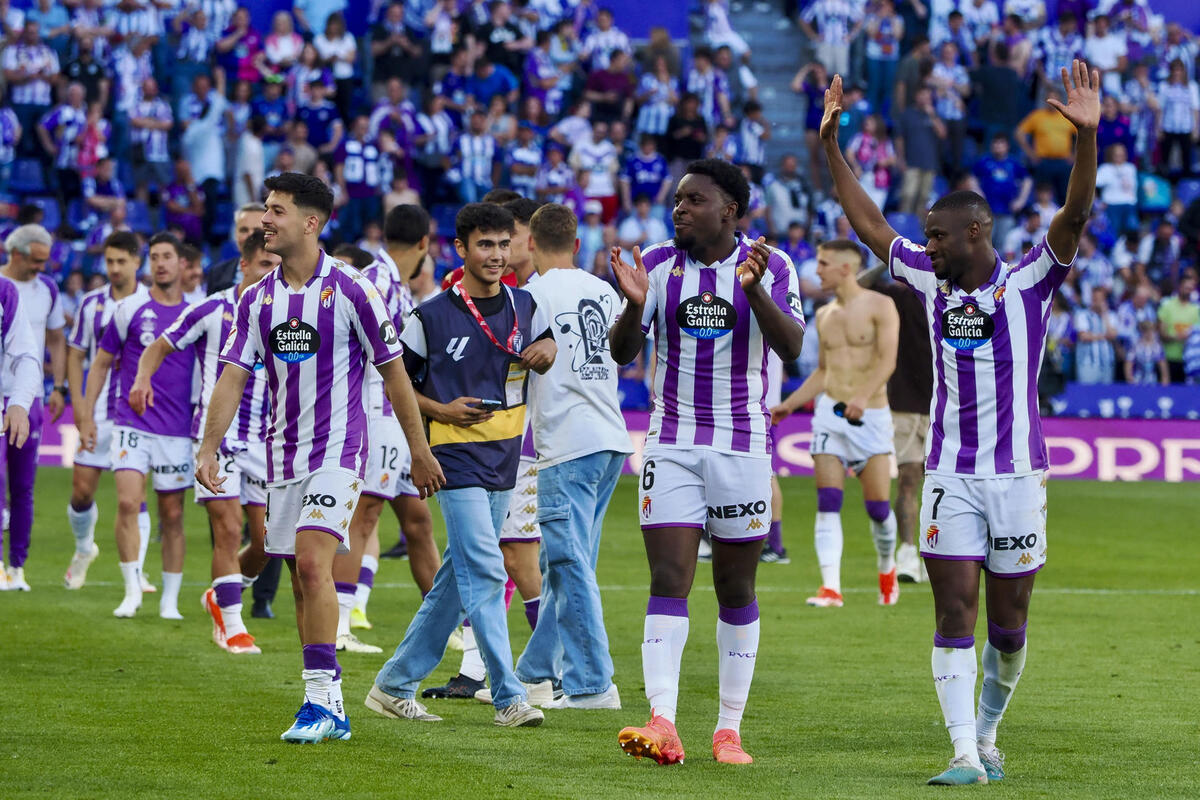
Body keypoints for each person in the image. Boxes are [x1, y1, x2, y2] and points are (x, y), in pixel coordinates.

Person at [820, 61, 1100, 784]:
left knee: (1008, 626)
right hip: (949, 475)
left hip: (1018, 478)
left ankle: (988, 728)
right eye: (928, 239)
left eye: (940, 238)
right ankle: (963, 754)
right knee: (954, 614)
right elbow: (870, 223)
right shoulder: (923, 276)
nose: (929, 247)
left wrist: (1087, 141)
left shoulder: (1032, 280)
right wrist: (832, 147)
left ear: (977, 231)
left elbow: (1073, 216)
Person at [197, 172, 444, 744]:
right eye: (265, 208)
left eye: (276, 210)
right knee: (301, 583)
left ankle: (323, 703)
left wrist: (418, 448)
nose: (265, 220)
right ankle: (324, 701)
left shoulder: (353, 289)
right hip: (281, 455)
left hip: (339, 451)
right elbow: (232, 376)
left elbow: (394, 374)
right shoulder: (257, 299)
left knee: (314, 563)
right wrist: (209, 447)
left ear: (310, 222)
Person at [608, 159, 806, 765]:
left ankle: (728, 729)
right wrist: (633, 304)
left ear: (730, 210)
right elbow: (622, 355)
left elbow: (792, 347)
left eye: (694, 200)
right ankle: (663, 720)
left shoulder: (771, 265)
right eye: (677, 200)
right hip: (668, 444)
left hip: (742, 446)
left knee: (734, 586)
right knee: (669, 579)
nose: (680, 209)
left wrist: (752, 290)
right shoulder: (659, 265)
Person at [367, 202, 555, 728]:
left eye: (502, 244)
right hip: (453, 459)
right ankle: (509, 696)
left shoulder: (526, 305)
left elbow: (546, 346)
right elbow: (396, 384)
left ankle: (392, 684)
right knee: (487, 570)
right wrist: (434, 421)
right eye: (484, 245)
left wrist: (548, 351)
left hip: (505, 458)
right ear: (461, 249)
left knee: (457, 579)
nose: (496, 256)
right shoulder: (430, 315)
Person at [496, 202, 633, 709]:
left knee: (570, 564)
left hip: (566, 444)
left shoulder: (528, 298)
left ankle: (593, 684)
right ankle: (535, 671)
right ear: (577, 244)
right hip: (612, 440)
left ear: (529, 243)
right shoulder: (604, 289)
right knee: (569, 565)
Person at [131, 231, 280, 654]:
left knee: (269, 541)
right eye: (265, 265)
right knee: (228, 529)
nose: (272, 273)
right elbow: (160, 344)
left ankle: (222, 594)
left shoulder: (285, 312)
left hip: (264, 439)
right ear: (245, 266)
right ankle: (232, 626)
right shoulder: (213, 309)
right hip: (218, 436)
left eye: (277, 265)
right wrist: (143, 378)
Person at [771, 240, 900, 608]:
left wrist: (862, 396)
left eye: (824, 263)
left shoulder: (881, 306)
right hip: (830, 414)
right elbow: (823, 373)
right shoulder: (825, 315)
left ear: (846, 268)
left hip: (871, 415)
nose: (818, 271)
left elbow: (887, 361)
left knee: (877, 508)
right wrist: (790, 405)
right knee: (828, 499)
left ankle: (887, 567)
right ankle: (831, 588)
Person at [79, 233, 196, 618]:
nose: (160, 264)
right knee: (128, 501)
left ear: (182, 264)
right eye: (155, 257)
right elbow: (100, 362)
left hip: (177, 429)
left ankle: (169, 600)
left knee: (173, 515)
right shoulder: (129, 308)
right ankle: (131, 590)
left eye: (167, 257)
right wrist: (86, 413)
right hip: (131, 422)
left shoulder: (197, 312)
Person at [344, 206, 441, 634]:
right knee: (364, 515)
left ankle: (444, 623)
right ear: (425, 243)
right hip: (375, 416)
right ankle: (340, 624)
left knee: (418, 522)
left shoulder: (394, 284)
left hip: (399, 422)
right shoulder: (379, 282)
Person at [63, 232, 150, 591]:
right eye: (109, 262)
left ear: (137, 262)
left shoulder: (151, 303)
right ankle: (84, 549)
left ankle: (137, 570)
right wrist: (81, 414)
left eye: (121, 262)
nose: (114, 269)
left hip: (137, 411)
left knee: (134, 496)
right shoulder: (91, 303)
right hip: (98, 410)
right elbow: (76, 355)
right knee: (82, 491)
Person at [0, 224, 66, 590]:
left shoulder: (41, 291)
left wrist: (57, 387)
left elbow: (44, 344)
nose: (42, 268)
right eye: (36, 261)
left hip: (26, 398)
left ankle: (17, 566)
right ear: (16, 253)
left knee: (23, 486)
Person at [872, 267, 934, 584]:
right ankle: (908, 552)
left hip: (950, 406)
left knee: (945, 489)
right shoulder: (902, 295)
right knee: (909, 479)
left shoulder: (962, 296)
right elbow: (857, 285)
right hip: (907, 403)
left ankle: (936, 553)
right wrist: (889, 258)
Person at [0, 271, 41, 590]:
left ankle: (15, 566)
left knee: (20, 485)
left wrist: (19, 402)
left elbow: (27, 354)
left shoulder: (5, 292)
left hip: (11, 398)